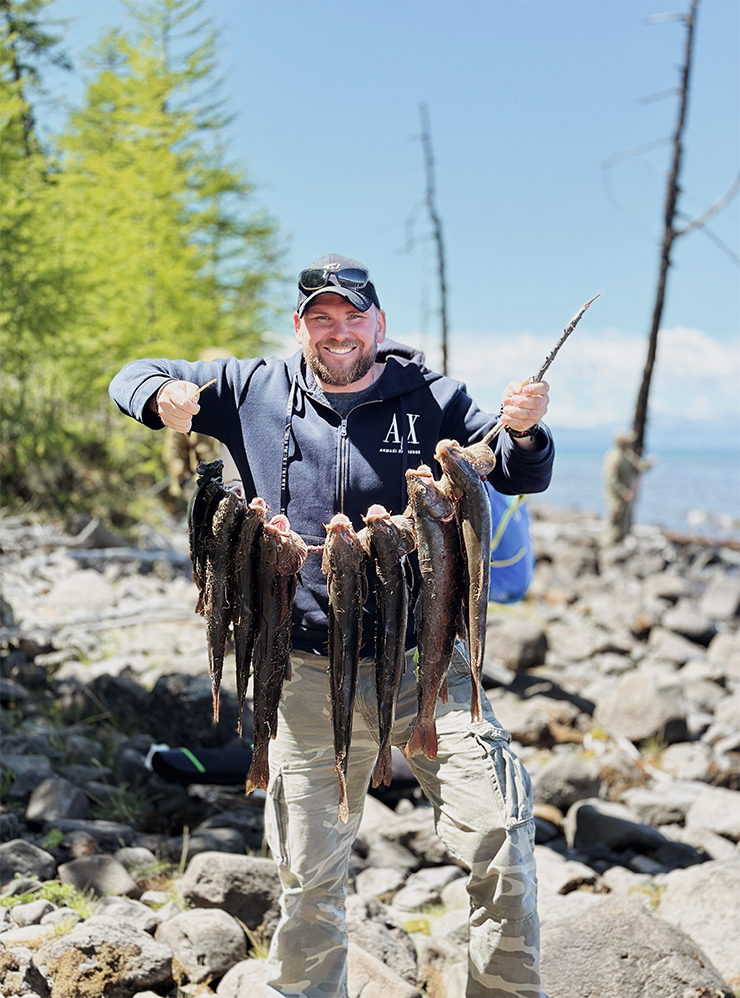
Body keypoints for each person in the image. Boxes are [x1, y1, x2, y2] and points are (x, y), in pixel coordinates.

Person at [109, 254, 554, 998]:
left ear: (379, 324)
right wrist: (161, 394)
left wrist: (527, 431)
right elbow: (133, 372)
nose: (338, 331)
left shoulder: (435, 397)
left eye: (353, 317)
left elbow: (513, 469)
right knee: (308, 879)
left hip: (428, 670)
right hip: (305, 673)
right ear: (300, 327)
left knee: (503, 839)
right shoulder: (251, 389)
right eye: (322, 317)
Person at [602, 430, 656, 545]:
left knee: (626, 519)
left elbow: (639, 466)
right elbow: (612, 480)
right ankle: (609, 544)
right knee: (615, 519)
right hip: (615, 496)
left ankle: (621, 543)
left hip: (628, 494)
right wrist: (623, 492)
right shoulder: (613, 457)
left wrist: (649, 464)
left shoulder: (627, 455)